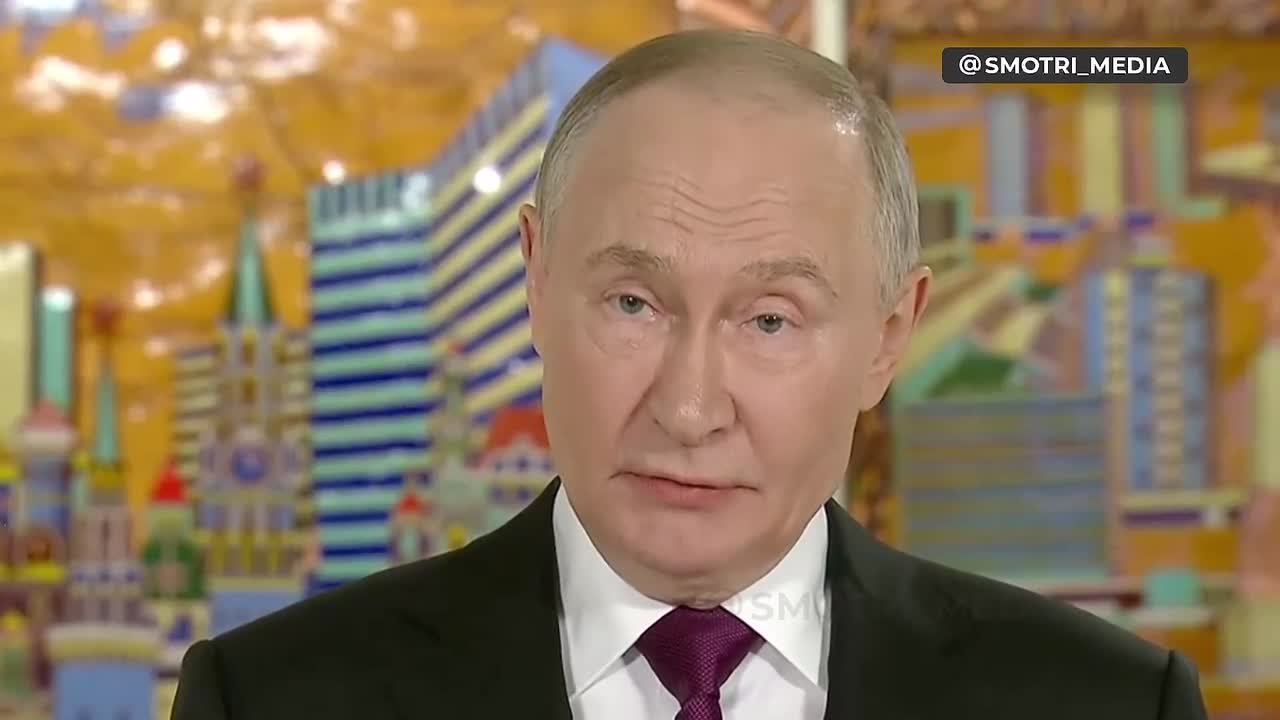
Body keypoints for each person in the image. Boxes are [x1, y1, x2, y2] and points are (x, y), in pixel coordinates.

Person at [172, 29, 1209, 720]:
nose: (688, 407)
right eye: (633, 303)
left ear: (888, 338)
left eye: (770, 319)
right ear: (535, 281)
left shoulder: (1107, 706)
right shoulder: (270, 699)